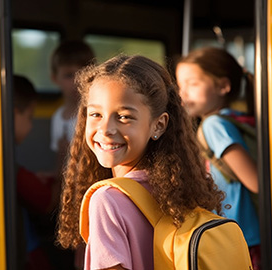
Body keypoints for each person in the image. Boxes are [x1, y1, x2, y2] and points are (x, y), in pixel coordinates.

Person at [56, 54, 225, 269]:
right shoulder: (180, 191)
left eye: (125, 116)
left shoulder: (107, 201)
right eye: (96, 114)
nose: (106, 129)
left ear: (159, 125)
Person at [175, 47, 261, 269]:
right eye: (180, 85)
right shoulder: (236, 119)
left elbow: (255, 181)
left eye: (192, 84)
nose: (183, 93)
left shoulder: (215, 125)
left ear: (223, 86)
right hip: (242, 234)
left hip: (238, 233)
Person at [49, 40, 95, 269]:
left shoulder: (93, 113)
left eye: (82, 74)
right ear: (54, 78)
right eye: (68, 75)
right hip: (69, 188)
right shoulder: (58, 117)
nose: (76, 81)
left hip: (89, 185)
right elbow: (60, 157)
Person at [13, 74, 53, 270]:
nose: (31, 125)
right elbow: (45, 201)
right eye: (29, 117)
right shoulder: (11, 171)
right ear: (12, 114)